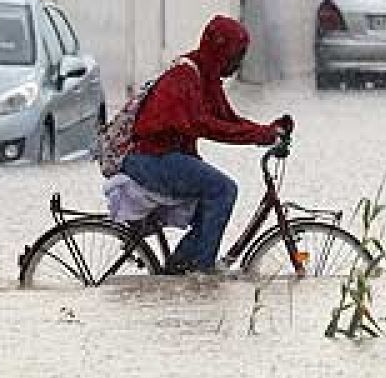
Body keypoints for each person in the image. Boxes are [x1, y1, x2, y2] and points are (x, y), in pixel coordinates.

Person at [121, 16, 291, 274]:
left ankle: (179, 271)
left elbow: (228, 119)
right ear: (220, 51)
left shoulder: (206, 76)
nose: (237, 64)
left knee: (210, 199)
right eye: (235, 56)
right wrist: (259, 136)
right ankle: (200, 271)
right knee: (223, 190)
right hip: (151, 159)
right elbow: (206, 125)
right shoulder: (185, 76)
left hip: (164, 157)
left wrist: (267, 130)